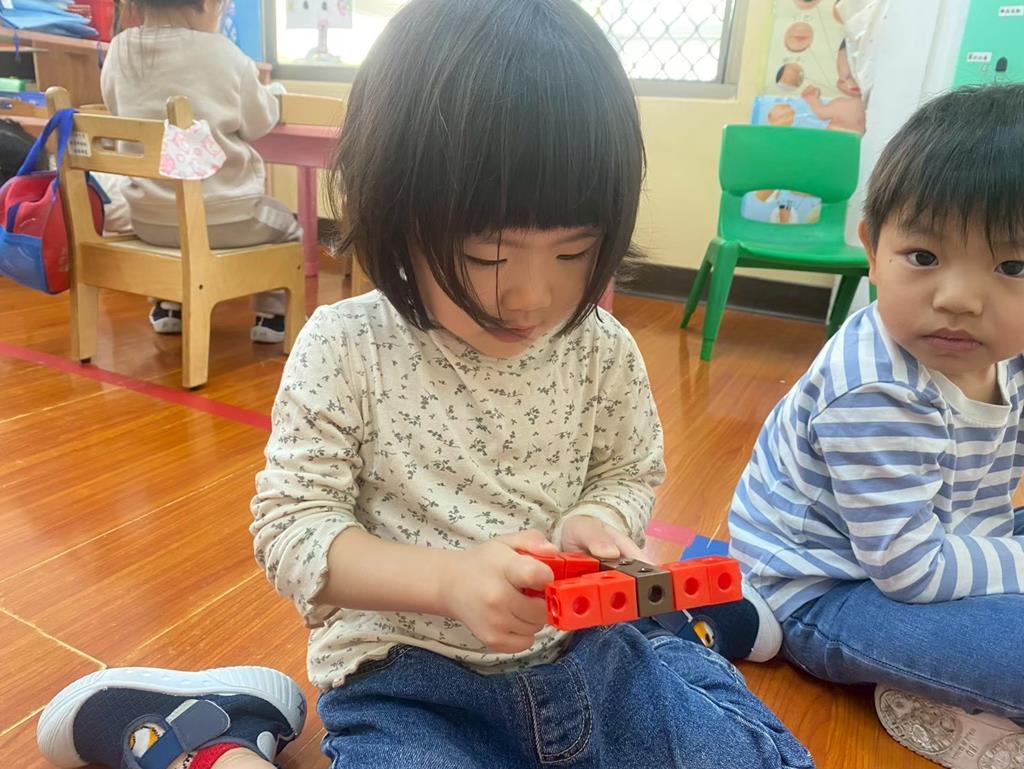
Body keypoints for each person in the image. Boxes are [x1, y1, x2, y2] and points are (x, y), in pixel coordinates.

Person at [35, 2, 813, 769]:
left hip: (582, 650)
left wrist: (594, 521)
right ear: (395, 214)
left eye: (574, 253)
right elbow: (292, 530)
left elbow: (626, 470)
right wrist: (446, 580)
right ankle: (202, 733)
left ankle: (672, 633)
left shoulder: (601, 347)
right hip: (406, 678)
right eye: (488, 257)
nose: (532, 296)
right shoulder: (347, 347)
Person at [728, 84, 1024, 769]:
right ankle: (937, 691)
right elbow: (911, 569)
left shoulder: (1006, 351)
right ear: (872, 247)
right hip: (829, 588)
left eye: (1012, 265)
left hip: (943, 536)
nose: (958, 298)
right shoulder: (877, 388)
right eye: (923, 256)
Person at [101, 0, 300, 343]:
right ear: (207, 4)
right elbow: (259, 121)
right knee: (290, 230)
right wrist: (274, 96)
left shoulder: (120, 49)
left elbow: (114, 106)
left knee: (178, 221)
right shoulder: (224, 53)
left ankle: (169, 306)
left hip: (148, 221)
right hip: (230, 220)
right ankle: (273, 317)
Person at [801, 40, 866, 135]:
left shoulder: (842, 104)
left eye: (849, 77)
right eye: (842, 78)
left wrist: (811, 98)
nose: (839, 82)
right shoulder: (869, 107)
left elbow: (821, 113)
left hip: (835, 139)